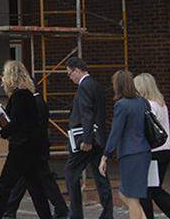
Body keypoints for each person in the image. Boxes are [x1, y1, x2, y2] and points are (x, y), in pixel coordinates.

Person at [0, 61, 54, 219]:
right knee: (35, 188)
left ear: (10, 77)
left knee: (4, 186)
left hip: (21, 148)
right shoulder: (27, 95)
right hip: (31, 148)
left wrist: (3, 131)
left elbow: (16, 122)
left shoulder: (19, 96)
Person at [0, 88, 69, 219]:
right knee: (25, 180)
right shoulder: (38, 102)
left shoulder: (34, 102)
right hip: (35, 148)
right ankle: (9, 209)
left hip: (32, 149)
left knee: (40, 180)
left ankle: (61, 208)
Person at [134, 73, 170, 219]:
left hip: (152, 152)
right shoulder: (160, 103)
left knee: (147, 191)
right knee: (155, 189)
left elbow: (143, 129)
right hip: (164, 149)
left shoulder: (148, 106)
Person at [63, 57, 112, 219]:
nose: (70, 78)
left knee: (70, 173)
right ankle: (107, 214)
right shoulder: (96, 85)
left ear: (77, 70)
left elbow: (86, 114)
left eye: (70, 74)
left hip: (87, 140)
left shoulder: (84, 87)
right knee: (100, 176)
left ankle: (76, 214)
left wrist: (86, 139)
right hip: (99, 138)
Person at [99, 70, 151, 219]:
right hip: (143, 151)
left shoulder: (121, 105)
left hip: (130, 153)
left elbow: (116, 132)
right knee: (128, 194)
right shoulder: (142, 102)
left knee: (131, 196)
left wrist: (105, 155)